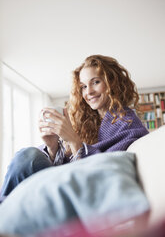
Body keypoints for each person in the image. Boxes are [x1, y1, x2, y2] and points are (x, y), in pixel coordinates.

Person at [0, 54, 148, 198]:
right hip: (68, 180)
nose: (88, 92)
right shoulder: (86, 120)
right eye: (83, 86)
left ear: (112, 83)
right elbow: (66, 165)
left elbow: (104, 172)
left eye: (95, 82)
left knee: (29, 157)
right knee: (28, 155)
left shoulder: (128, 123)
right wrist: (53, 148)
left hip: (86, 191)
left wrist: (75, 142)